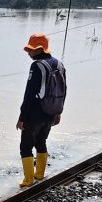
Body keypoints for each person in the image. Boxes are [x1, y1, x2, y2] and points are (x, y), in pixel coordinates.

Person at [16, 33, 65, 187]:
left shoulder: (37, 66)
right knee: (41, 141)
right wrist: (58, 112)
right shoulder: (59, 64)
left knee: (25, 146)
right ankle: (40, 174)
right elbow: (63, 89)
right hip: (51, 112)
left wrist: (22, 117)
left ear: (38, 49)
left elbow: (29, 94)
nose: (28, 53)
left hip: (35, 113)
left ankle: (28, 180)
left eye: (30, 49)